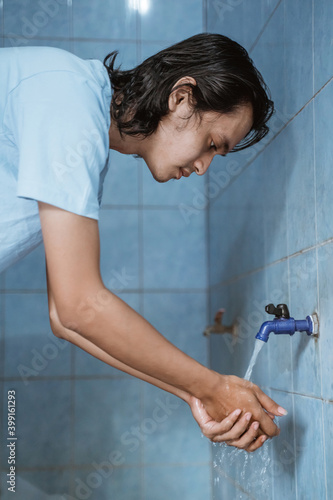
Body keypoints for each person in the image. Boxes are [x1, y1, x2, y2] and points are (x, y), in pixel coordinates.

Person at [0, 33, 287, 453]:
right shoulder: (68, 99)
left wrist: (196, 394)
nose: (204, 167)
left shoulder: (84, 133)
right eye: (211, 144)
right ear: (182, 97)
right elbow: (79, 306)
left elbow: (63, 317)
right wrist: (210, 386)